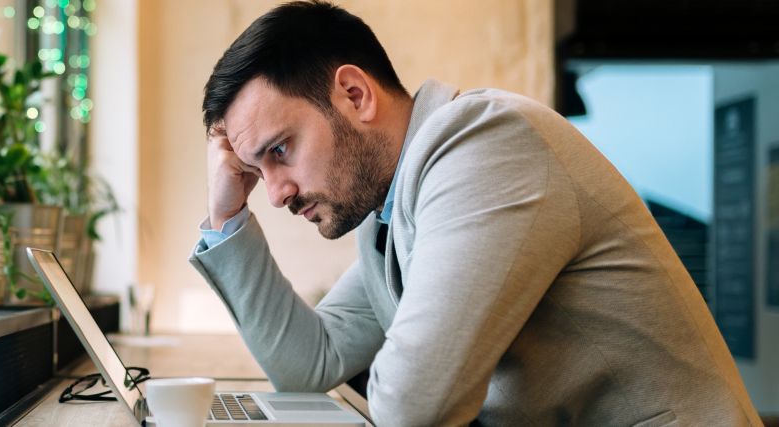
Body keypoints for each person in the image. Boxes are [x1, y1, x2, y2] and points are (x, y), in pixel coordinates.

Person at [187, 1, 762, 425]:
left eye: (281, 150)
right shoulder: (388, 208)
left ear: (355, 95)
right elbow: (310, 364)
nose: (276, 193)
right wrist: (226, 217)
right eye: (257, 169)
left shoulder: (486, 142)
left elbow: (414, 406)